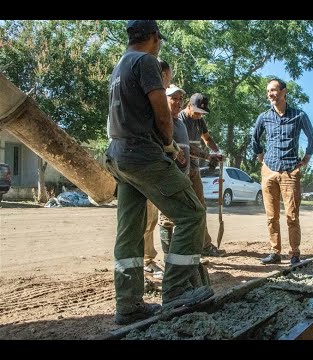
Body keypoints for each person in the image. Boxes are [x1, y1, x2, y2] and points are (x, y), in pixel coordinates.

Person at [105, 20, 214, 325]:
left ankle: (127, 305)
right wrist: (169, 145)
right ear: (154, 38)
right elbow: (162, 114)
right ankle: (177, 291)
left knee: (129, 232)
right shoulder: (146, 61)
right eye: (159, 40)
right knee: (192, 214)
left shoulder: (119, 67)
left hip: (118, 156)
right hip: (142, 156)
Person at [251, 78, 313, 266]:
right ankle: (275, 252)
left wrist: (305, 160)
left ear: (284, 91)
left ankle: (294, 253)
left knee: (292, 216)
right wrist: (261, 157)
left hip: (290, 171)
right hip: (269, 171)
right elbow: (254, 138)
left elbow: (312, 137)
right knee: (271, 216)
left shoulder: (299, 115)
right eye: (268, 91)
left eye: (274, 90)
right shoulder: (264, 117)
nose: (270, 94)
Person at [178, 93, 224, 257]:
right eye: (196, 111)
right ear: (188, 105)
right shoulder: (179, 119)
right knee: (182, 210)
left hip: (194, 169)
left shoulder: (199, 120)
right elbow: (186, 149)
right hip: (180, 169)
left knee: (200, 207)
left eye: (202, 113)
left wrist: (217, 152)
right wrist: (207, 156)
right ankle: (183, 248)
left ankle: (205, 246)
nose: (199, 115)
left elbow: (207, 138)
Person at [143, 60, 174, 280]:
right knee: (146, 219)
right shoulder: (151, 96)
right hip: (144, 164)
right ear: (162, 75)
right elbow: (162, 124)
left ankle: (145, 261)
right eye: (169, 78)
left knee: (149, 219)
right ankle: (145, 262)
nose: (168, 83)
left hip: (141, 162)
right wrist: (170, 146)